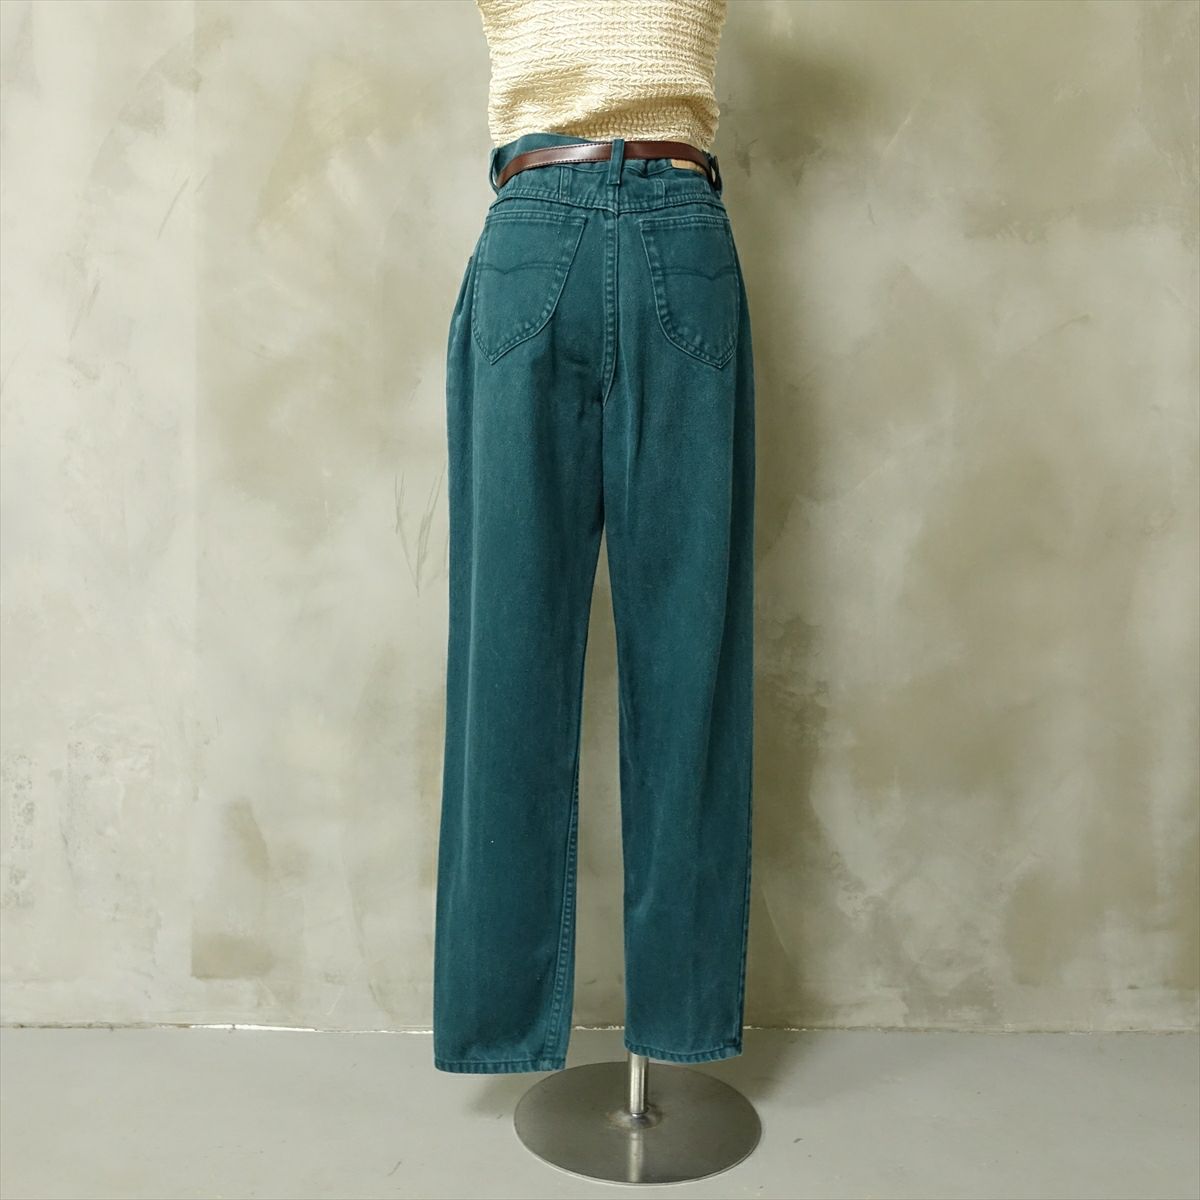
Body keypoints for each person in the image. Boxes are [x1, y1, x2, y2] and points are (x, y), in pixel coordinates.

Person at [433, 0, 756, 1076]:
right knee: (660, 652)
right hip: (658, 229)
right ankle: (541, 1022)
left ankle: (657, 1025)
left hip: (553, 233)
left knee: (556, 648)